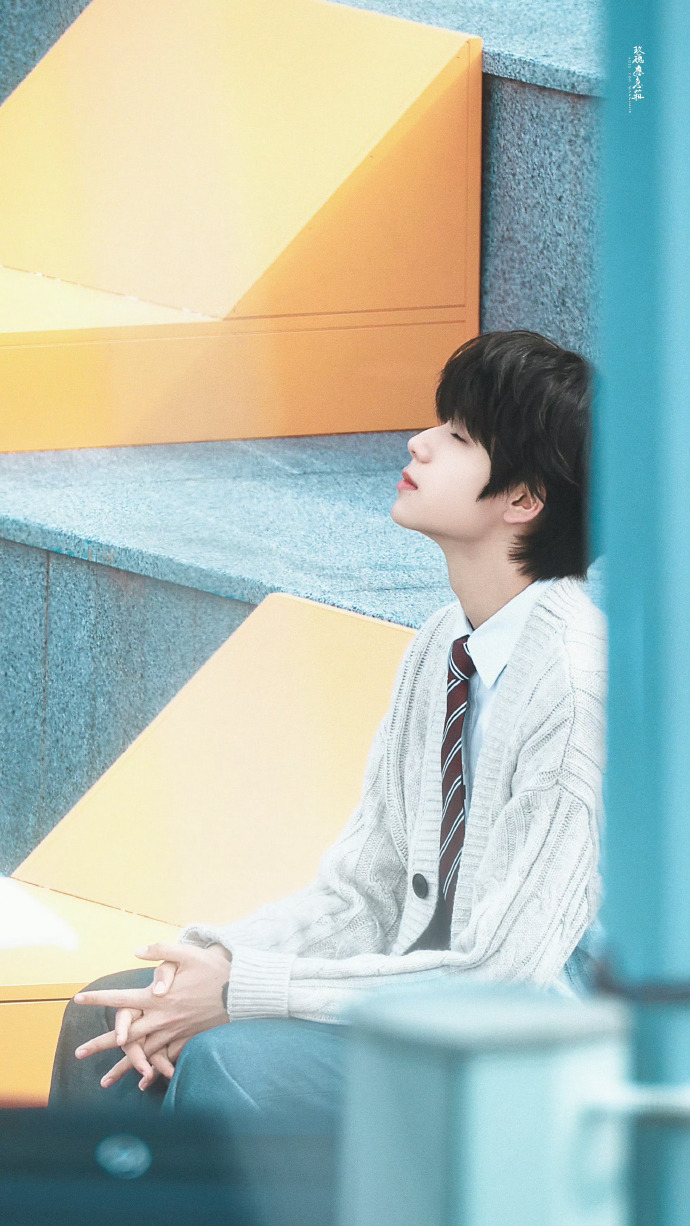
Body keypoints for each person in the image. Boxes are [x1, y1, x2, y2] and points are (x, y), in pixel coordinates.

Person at [49, 329, 607, 1139]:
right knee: (111, 1022)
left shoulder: (577, 687)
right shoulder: (443, 646)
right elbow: (364, 894)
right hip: (413, 1010)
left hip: (539, 1052)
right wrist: (210, 964)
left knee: (228, 1061)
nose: (419, 443)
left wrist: (243, 992)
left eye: (458, 437)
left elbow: (506, 975)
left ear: (524, 499)